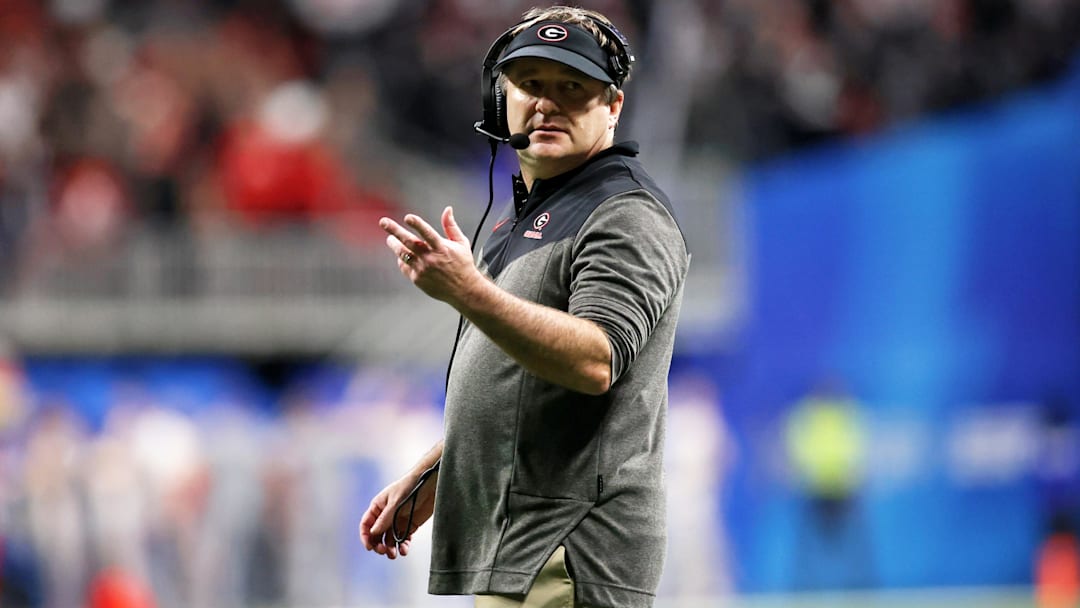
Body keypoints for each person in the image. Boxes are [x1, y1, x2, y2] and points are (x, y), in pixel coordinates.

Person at [359, 6, 689, 607]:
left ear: (612, 106)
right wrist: (438, 471)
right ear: (500, 100)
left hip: (571, 554)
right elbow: (522, 390)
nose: (546, 103)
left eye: (571, 88)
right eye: (530, 85)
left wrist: (469, 290)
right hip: (522, 552)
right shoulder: (521, 219)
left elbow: (595, 360)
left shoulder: (626, 215)